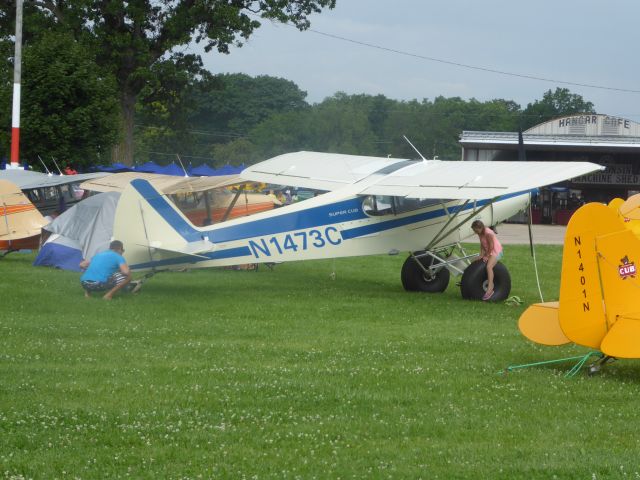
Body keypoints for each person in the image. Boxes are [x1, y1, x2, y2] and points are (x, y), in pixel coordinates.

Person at [471, 220, 503, 301]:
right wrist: (481, 255)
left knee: (489, 267)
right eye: (474, 230)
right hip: (489, 251)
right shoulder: (480, 233)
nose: (475, 232)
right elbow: (482, 244)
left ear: (481, 228)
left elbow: (491, 246)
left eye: (476, 230)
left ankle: (490, 287)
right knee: (476, 260)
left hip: (496, 251)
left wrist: (487, 256)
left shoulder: (488, 233)